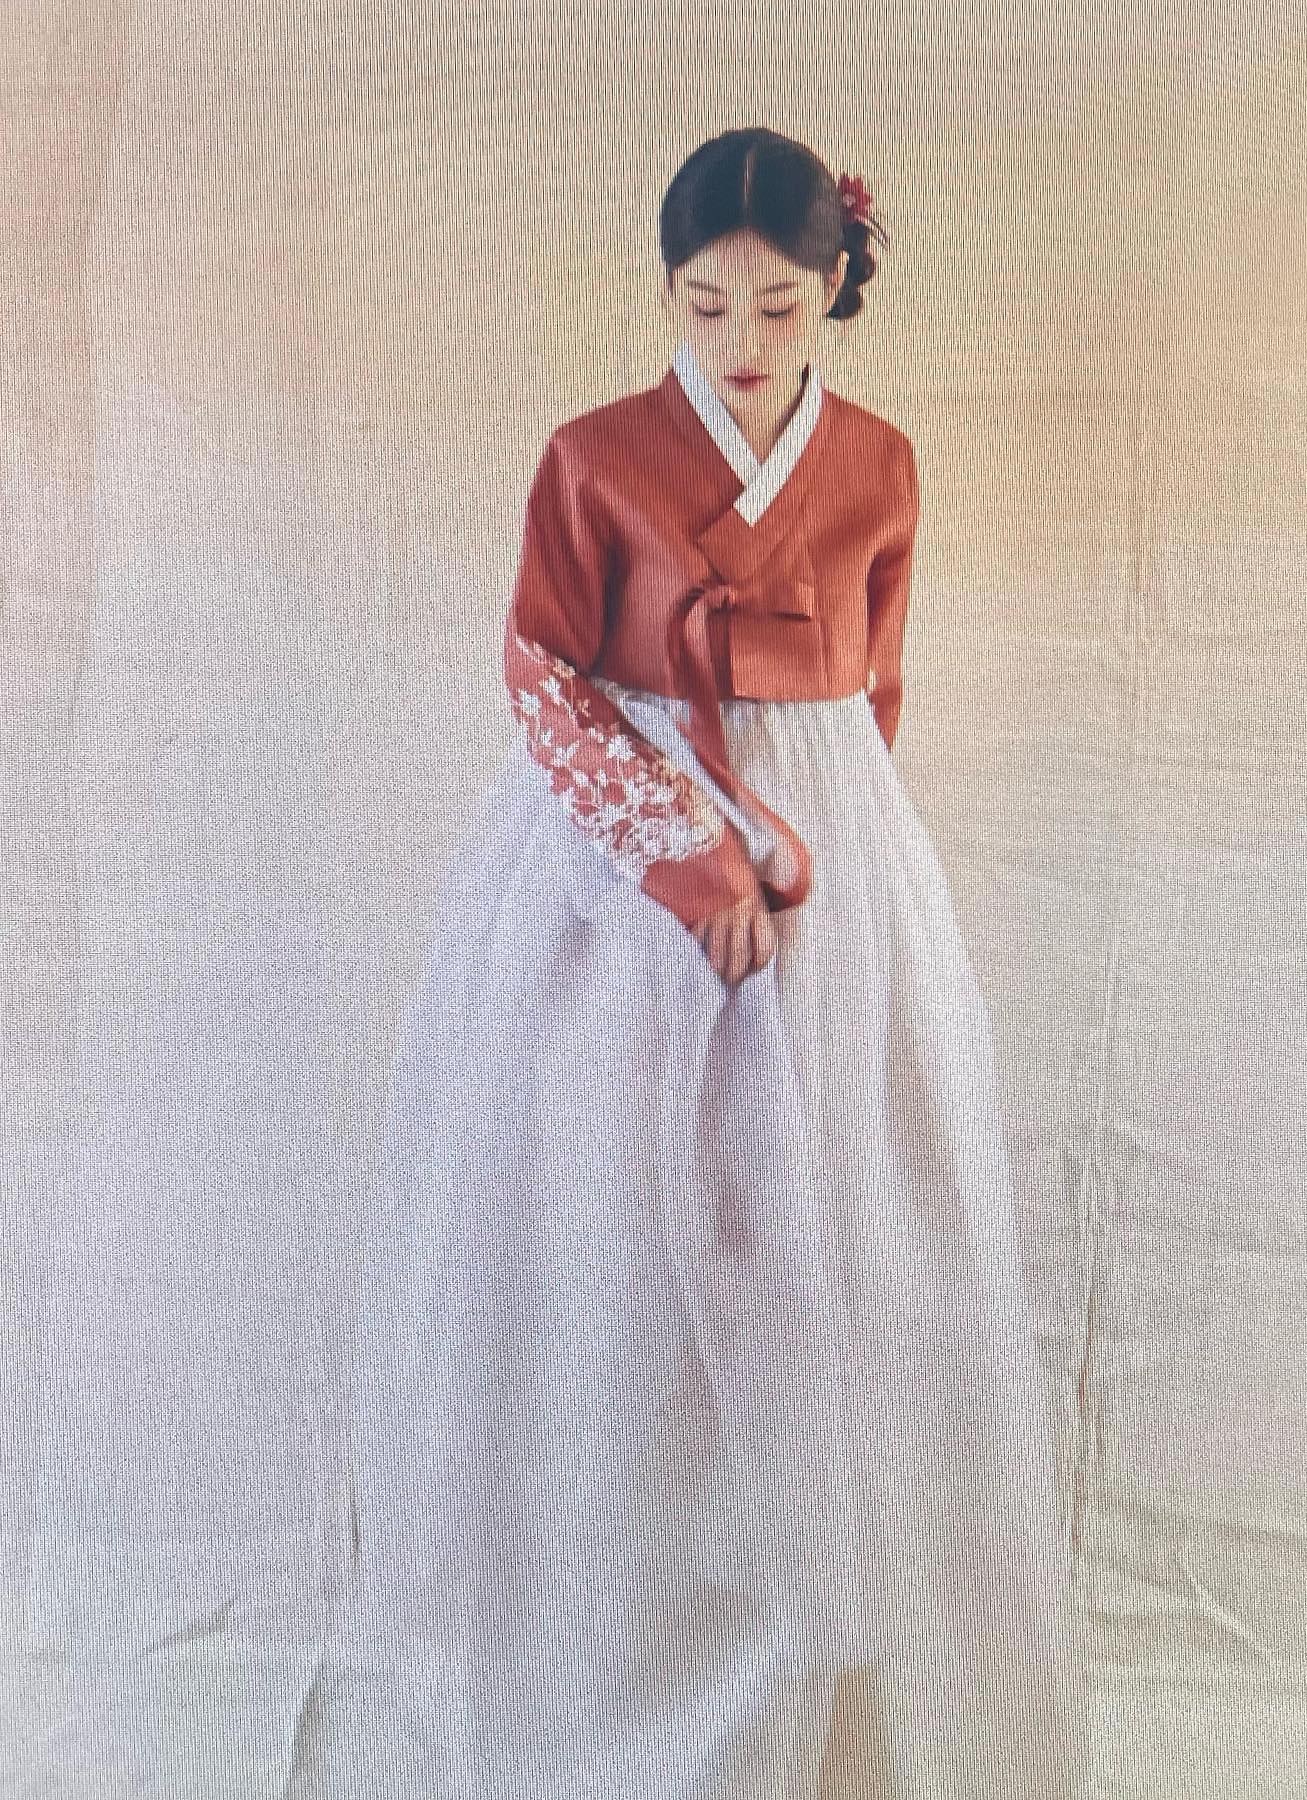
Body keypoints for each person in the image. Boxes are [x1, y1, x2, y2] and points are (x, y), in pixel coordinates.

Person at [344, 125, 1090, 1800]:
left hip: (823, 861)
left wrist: (831, 878)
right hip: (620, 865)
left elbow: (873, 699)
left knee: (837, 1243)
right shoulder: (593, 457)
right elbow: (544, 670)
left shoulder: (881, 464)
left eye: (777, 306)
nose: (741, 342)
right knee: (614, 1246)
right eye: (704, 305)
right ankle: (602, 1668)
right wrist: (688, 858)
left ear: (833, 290)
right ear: (668, 294)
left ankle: (818, 1673)